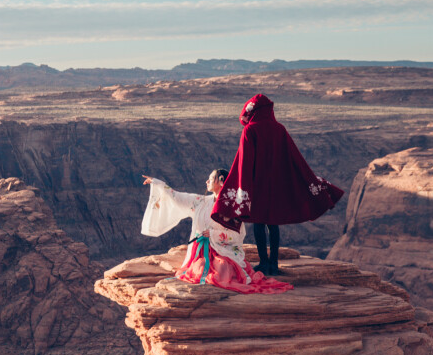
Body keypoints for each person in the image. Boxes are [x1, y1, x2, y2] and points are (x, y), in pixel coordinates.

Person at [211, 94, 344, 275]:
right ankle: (274, 264)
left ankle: (264, 264)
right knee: (273, 224)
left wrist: (243, 187)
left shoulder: (250, 130)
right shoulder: (280, 129)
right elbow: (293, 157)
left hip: (257, 187)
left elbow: (244, 162)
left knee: (258, 224)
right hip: (276, 187)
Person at [141, 169, 293, 294]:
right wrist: (157, 184)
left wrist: (213, 234)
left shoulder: (232, 208)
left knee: (222, 269)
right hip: (203, 251)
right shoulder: (201, 201)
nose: (206, 181)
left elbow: (237, 235)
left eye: (210, 178)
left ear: (220, 181)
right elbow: (177, 196)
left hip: (223, 250)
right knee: (200, 268)